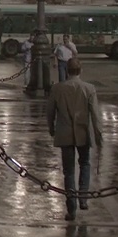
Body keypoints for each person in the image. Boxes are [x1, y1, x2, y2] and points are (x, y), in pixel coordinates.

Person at [46, 58, 105, 221]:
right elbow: (95, 115)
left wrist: (51, 128)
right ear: (81, 71)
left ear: (67, 71)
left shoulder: (57, 88)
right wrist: (99, 135)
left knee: (68, 171)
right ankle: (83, 198)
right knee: (85, 164)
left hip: (64, 133)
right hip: (83, 133)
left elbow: (50, 112)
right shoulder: (89, 88)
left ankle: (71, 207)